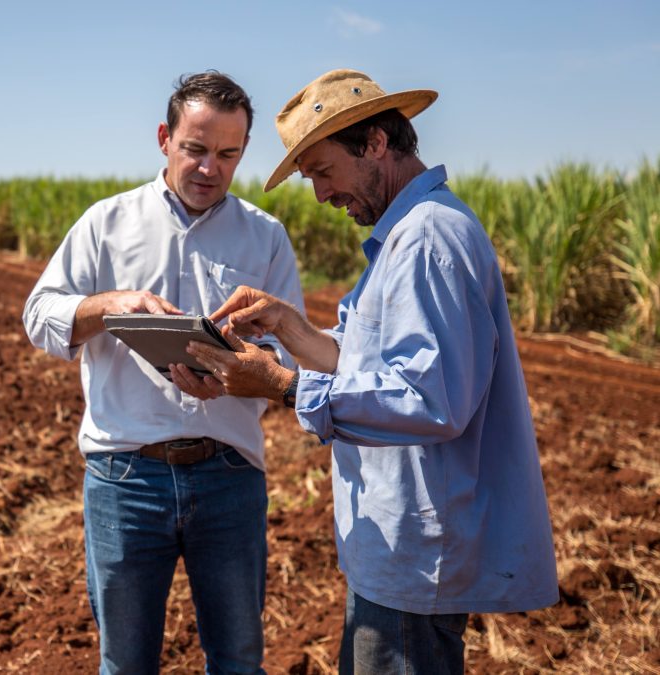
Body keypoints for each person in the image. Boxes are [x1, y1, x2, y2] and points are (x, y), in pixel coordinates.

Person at [173, 69, 559, 675]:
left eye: (324, 172)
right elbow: (375, 361)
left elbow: (430, 400)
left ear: (375, 143)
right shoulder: (409, 234)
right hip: (396, 551)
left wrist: (281, 384)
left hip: (414, 554)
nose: (322, 196)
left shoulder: (428, 239)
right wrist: (289, 327)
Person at [23, 71, 305, 674]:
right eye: (196, 150)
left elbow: (293, 354)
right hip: (125, 477)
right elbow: (39, 315)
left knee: (238, 662)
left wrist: (248, 369)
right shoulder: (106, 223)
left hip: (230, 475)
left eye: (228, 154)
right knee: (125, 664)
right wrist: (109, 305)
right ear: (164, 139)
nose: (210, 168)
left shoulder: (266, 237)